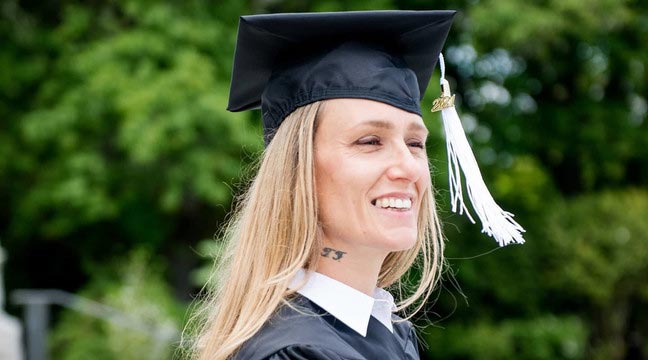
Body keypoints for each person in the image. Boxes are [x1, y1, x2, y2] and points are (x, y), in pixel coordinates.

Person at [191, 10, 524, 360]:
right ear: (297, 171)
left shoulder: (386, 334)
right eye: (369, 142)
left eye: (415, 144)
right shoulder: (298, 352)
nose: (408, 167)